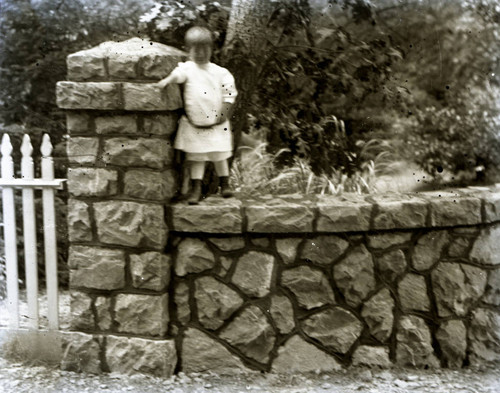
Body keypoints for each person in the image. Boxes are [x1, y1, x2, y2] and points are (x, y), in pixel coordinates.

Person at [157, 26, 237, 205]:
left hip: (216, 123)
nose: (200, 53)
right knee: (196, 158)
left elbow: (229, 94)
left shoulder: (221, 72)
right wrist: (167, 80)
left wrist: (223, 112)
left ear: (211, 49)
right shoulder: (187, 69)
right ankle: (196, 189)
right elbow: (178, 75)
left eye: (204, 48)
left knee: (220, 154)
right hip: (195, 124)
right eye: (195, 49)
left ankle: (225, 184)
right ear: (188, 50)